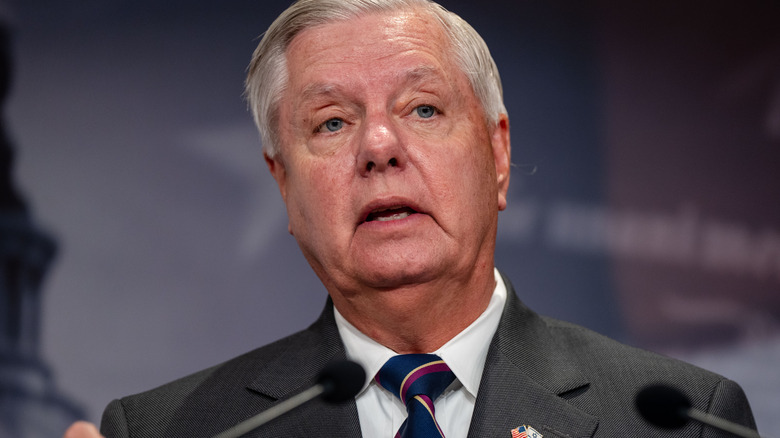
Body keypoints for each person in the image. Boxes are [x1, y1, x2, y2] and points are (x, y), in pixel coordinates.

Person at [64, 0, 757, 437]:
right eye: (331, 122)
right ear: (282, 183)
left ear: (497, 153)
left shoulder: (678, 421)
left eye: (423, 109)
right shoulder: (170, 431)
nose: (378, 147)